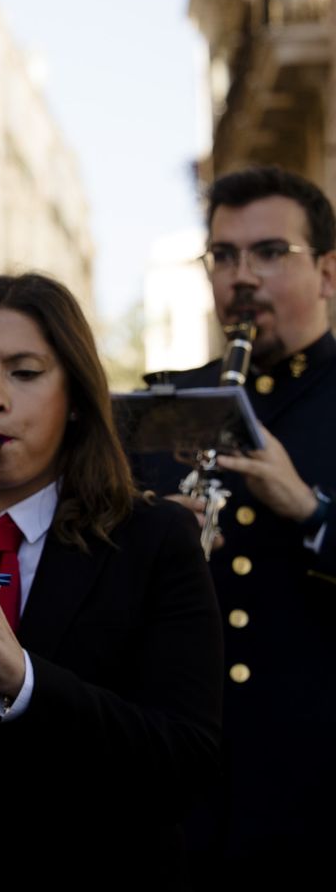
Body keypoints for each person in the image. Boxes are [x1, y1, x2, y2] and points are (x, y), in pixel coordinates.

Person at [0, 274, 222, 891]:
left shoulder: (152, 540)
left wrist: (23, 678)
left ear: (76, 397)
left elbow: (185, 756)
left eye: (25, 373)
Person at [135, 166, 336, 889]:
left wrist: (311, 511)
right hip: (192, 811)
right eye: (223, 256)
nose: (241, 276)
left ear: (328, 272)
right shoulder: (163, 410)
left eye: (269, 253)